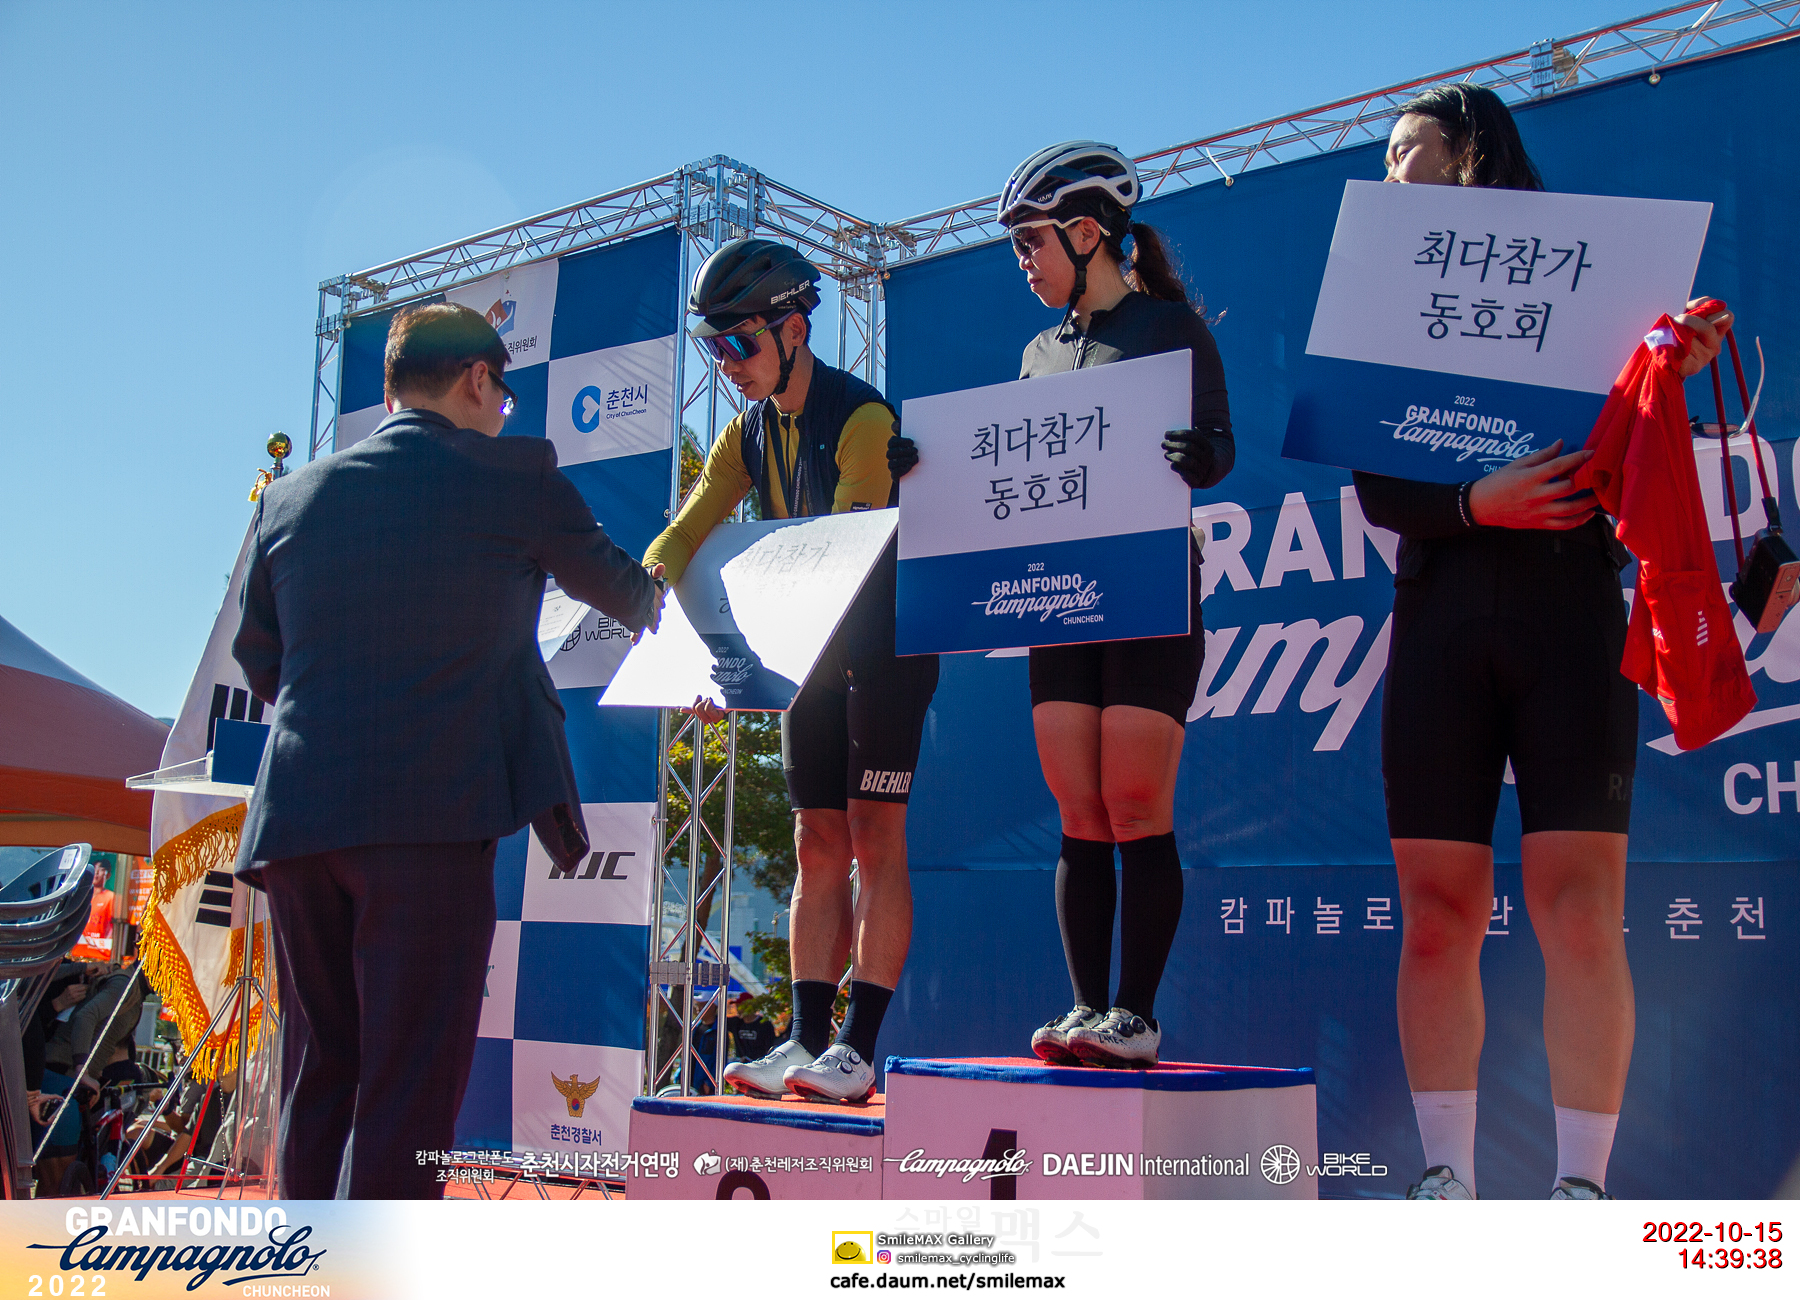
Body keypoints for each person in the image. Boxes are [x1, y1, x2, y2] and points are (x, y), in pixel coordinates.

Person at [1360, 85, 1731, 1201]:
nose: (1388, 173)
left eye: (1406, 150)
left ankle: (1581, 1190)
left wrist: (1669, 367)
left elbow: (1630, 441)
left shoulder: (1589, 278)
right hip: (1440, 618)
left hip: (1571, 612)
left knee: (1579, 911)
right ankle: (1447, 1180)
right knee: (1437, 918)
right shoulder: (1384, 293)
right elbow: (1379, 486)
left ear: (1468, 149)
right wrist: (1474, 502)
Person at [232, 302, 664, 1197]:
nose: (505, 411)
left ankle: (301, 1264)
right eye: (503, 394)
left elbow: (261, 664)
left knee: (318, 1076)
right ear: (476, 378)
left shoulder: (288, 498)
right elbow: (628, 595)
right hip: (429, 824)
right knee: (411, 1087)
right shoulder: (518, 475)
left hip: (297, 826)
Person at [891, 142, 1234, 1068]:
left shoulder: (1171, 327)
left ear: (1087, 234)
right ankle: (1086, 1008)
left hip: (1151, 587)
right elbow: (1006, 471)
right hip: (1060, 598)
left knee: (1135, 799)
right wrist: (923, 468)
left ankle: (1137, 1016)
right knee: (1079, 807)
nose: (1023, 262)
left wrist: (1200, 456)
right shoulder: (1038, 353)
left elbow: (1220, 445)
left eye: (1031, 242)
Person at [644, 238, 939, 1104]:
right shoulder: (748, 432)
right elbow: (686, 532)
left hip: (880, 649)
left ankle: (858, 1047)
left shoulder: (863, 418)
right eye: (716, 348)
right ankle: (806, 1038)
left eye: (740, 342)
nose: (728, 364)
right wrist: (648, 602)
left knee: (874, 838)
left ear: (795, 329)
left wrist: (738, 669)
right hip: (806, 658)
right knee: (817, 842)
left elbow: (837, 563)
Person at [726, 993, 776, 1063]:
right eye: (737, 1006)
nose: (738, 1009)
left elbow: (770, 1046)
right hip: (741, 1065)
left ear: (749, 1006)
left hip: (759, 1064)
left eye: (740, 1006)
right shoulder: (736, 1023)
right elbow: (717, 1019)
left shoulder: (764, 1024)